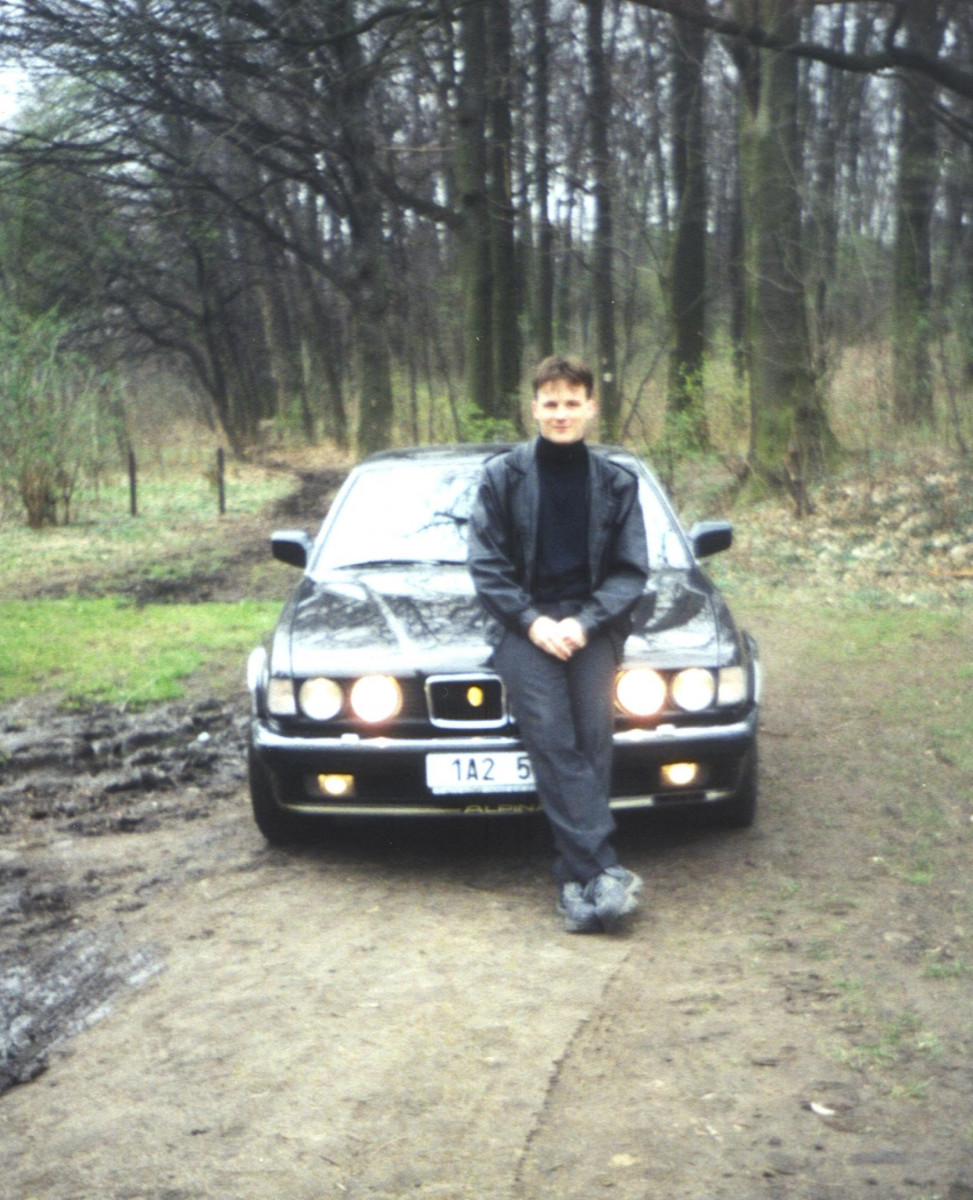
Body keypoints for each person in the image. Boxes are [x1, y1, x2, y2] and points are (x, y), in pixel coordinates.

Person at [468, 355, 650, 932]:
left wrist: (586, 622)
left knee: (593, 737)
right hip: (523, 626)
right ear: (534, 409)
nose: (561, 413)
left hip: (590, 625)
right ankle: (603, 870)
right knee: (550, 732)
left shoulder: (617, 482)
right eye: (551, 403)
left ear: (591, 407)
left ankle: (576, 882)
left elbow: (629, 571)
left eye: (573, 402)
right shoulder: (502, 477)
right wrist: (531, 621)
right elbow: (487, 566)